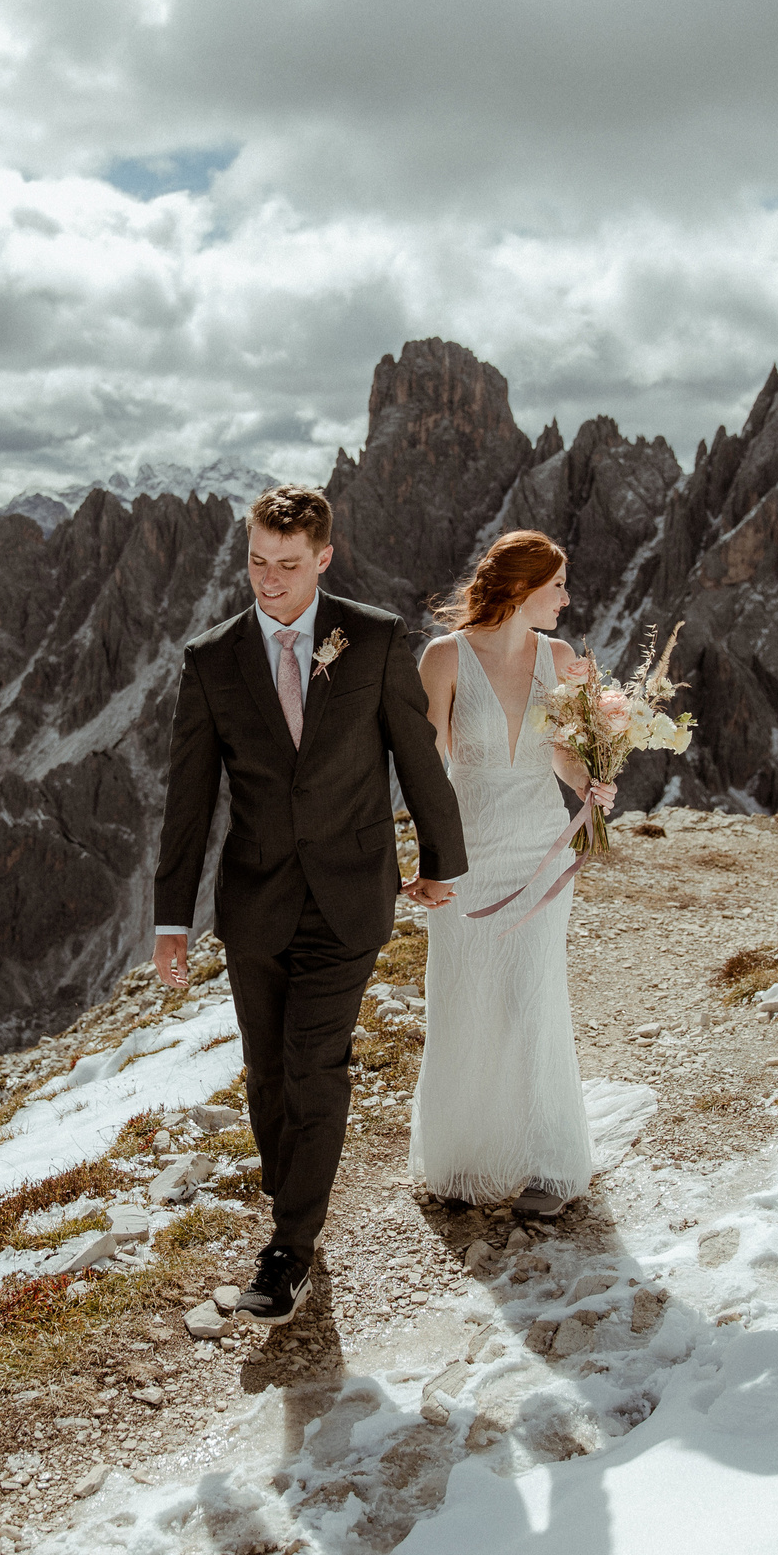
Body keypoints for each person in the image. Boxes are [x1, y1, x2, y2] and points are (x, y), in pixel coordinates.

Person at [152, 485, 469, 1325]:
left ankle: (290, 1247)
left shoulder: (372, 638)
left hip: (349, 894)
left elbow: (417, 756)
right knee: (266, 1071)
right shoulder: (211, 659)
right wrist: (171, 921)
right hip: (255, 902)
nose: (270, 578)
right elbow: (189, 799)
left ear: (323, 558)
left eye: (288, 564)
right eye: (257, 561)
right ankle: (290, 1191)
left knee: (314, 1063)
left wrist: (441, 860)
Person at [409, 531, 614, 1217]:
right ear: (523, 588)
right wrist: (430, 860)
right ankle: (464, 1157)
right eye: (557, 585)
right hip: (466, 852)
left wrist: (590, 782)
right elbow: (426, 767)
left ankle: (546, 1162)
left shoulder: (560, 659)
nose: (566, 598)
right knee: (464, 995)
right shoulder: (444, 657)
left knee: (533, 995)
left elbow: (563, 753)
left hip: (537, 847)